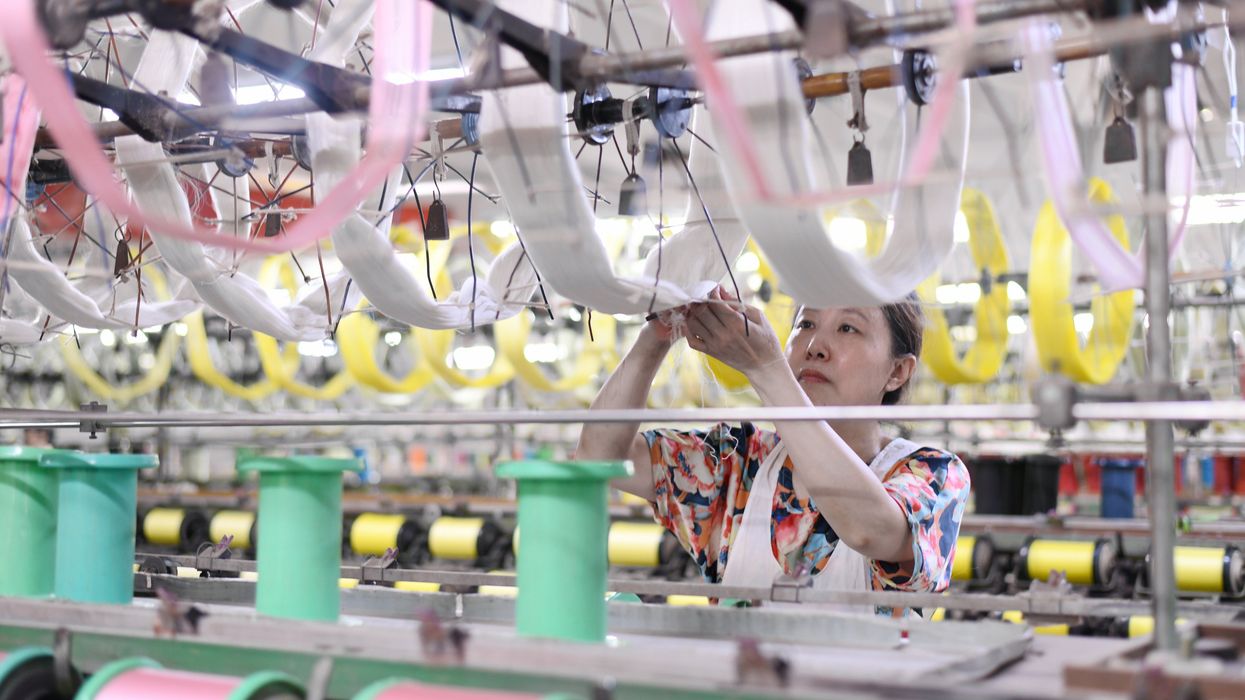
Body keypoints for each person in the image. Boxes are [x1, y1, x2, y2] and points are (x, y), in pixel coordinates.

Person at [576, 287, 970, 616]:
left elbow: (869, 531)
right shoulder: (739, 461)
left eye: (848, 328)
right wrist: (659, 332)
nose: (815, 346)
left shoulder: (931, 475)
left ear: (897, 371)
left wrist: (767, 370)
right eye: (806, 324)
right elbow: (600, 460)